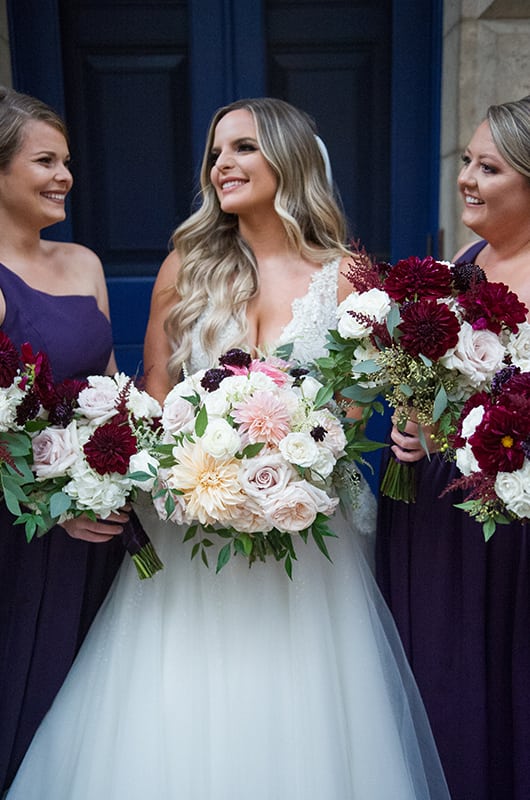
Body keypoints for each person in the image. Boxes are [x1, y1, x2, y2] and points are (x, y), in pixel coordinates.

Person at [7, 97, 449, 799]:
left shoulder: (349, 276)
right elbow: (152, 397)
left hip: (310, 536)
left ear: (289, 157)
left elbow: (366, 405)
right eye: (216, 153)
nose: (222, 165)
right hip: (192, 530)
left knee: (308, 707)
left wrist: (310, 449)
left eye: (242, 148)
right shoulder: (188, 265)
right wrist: (201, 462)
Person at [376, 95, 530, 800]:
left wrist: (464, 434)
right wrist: (411, 418)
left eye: (488, 167)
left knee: (496, 680)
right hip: (432, 515)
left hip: (506, 533)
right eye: (467, 161)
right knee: (436, 677)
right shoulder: (464, 262)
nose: (465, 177)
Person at [0, 87, 128, 793]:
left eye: (67, 161)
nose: (64, 176)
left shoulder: (82, 264)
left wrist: (125, 469)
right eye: (44, 161)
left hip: (97, 519)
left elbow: (109, 390)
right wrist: (51, 503)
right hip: (20, 530)